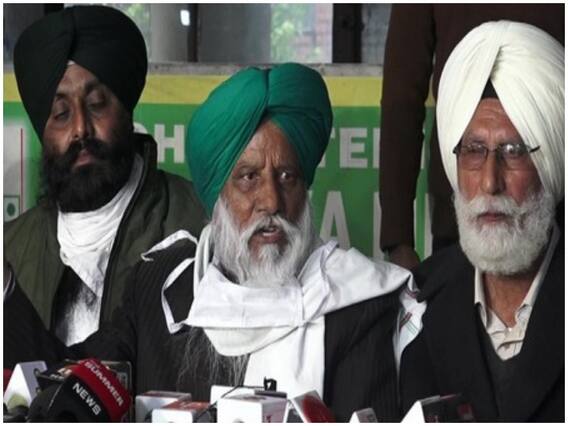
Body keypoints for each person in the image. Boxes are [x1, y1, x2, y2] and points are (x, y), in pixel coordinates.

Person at [5, 63, 423, 422]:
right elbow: (72, 381)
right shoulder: (161, 284)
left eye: (287, 177)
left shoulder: (357, 303)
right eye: (248, 178)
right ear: (217, 196)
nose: (271, 201)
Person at [4, 6, 206, 345]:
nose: (80, 129)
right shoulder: (11, 251)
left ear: (126, 110)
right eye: (61, 113)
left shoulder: (201, 228)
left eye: (97, 104)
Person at [400, 21, 564, 421]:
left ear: (550, 165)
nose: (490, 182)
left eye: (514, 151)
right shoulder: (419, 303)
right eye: (474, 151)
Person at [379, 4, 564, 270]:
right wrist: (399, 241)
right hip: (464, 212)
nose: (492, 181)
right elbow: (402, 101)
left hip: (552, 190)